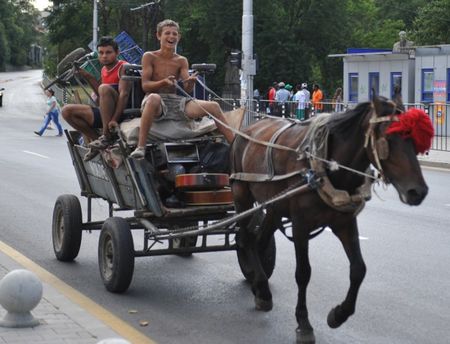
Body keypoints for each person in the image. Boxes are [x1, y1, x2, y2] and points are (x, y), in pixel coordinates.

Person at [130, 19, 234, 159]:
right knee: (154, 98)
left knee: (214, 106)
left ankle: (235, 146)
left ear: (178, 37)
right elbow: (145, 85)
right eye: (167, 33)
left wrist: (190, 82)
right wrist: (163, 82)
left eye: (174, 34)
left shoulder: (181, 60)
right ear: (159, 36)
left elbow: (187, 89)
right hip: (155, 101)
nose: (171, 37)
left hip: (175, 101)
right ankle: (141, 147)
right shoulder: (149, 56)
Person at [61, 36, 131, 161]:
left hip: (119, 113)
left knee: (104, 88)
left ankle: (106, 136)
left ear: (117, 53)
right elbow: (101, 95)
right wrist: (86, 75)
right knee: (66, 111)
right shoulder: (104, 69)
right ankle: (97, 141)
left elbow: (124, 95)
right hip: (105, 112)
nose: (104, 56)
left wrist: (114, 119)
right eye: (101, 53)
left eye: (108, 52)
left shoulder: (123, 67)